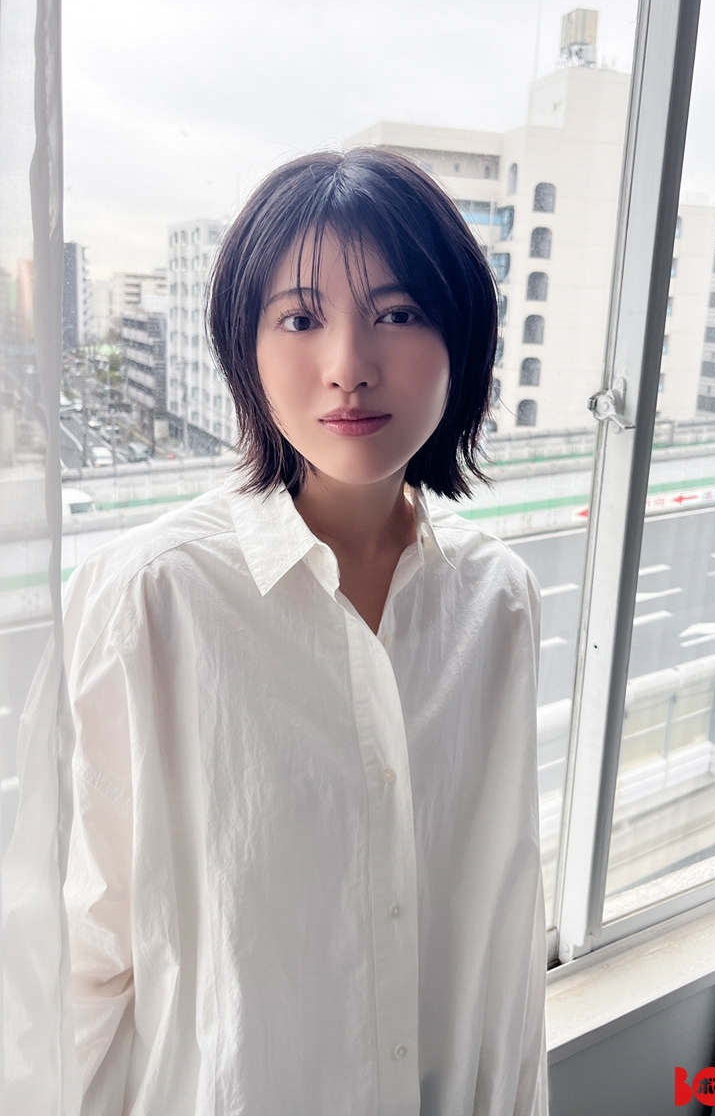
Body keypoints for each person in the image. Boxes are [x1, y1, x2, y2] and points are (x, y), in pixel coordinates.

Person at [63, 147, 549, 1114]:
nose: (348, 368)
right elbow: (91, 951)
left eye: (397, 314)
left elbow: (503, 927)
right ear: (245, 349)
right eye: (299, 318)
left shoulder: (496, 599)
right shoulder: (153, 597)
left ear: (462, 338)